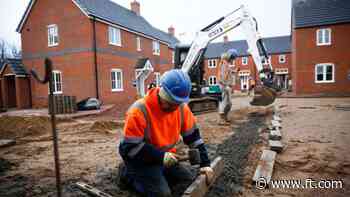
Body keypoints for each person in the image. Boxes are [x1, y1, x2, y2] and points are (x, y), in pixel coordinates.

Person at [118, 69, 214, 197]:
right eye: (170, 103)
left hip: (165, 158)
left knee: (189, 181)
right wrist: (160, 156)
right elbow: (129, 148)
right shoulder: (139, 111)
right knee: (162, 194)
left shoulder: (181, 109)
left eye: (177, 103)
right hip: (140, 160)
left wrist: (205, 164)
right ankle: (127, 174)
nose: (173, 108)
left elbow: (194, 138)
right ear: (161, 92)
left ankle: (158, 174)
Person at [217, 49, 239, 125]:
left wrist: (234, 71)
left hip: (226, 85)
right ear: (230, 56)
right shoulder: (224, 63)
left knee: (229, 103)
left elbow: (228, 71)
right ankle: (221, 120)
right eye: (233, 58)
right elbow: (223, 74)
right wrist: (224, 84)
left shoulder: (226, 63)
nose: (233, 60)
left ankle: (225, 117)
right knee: (224, 102)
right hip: (223, 85)